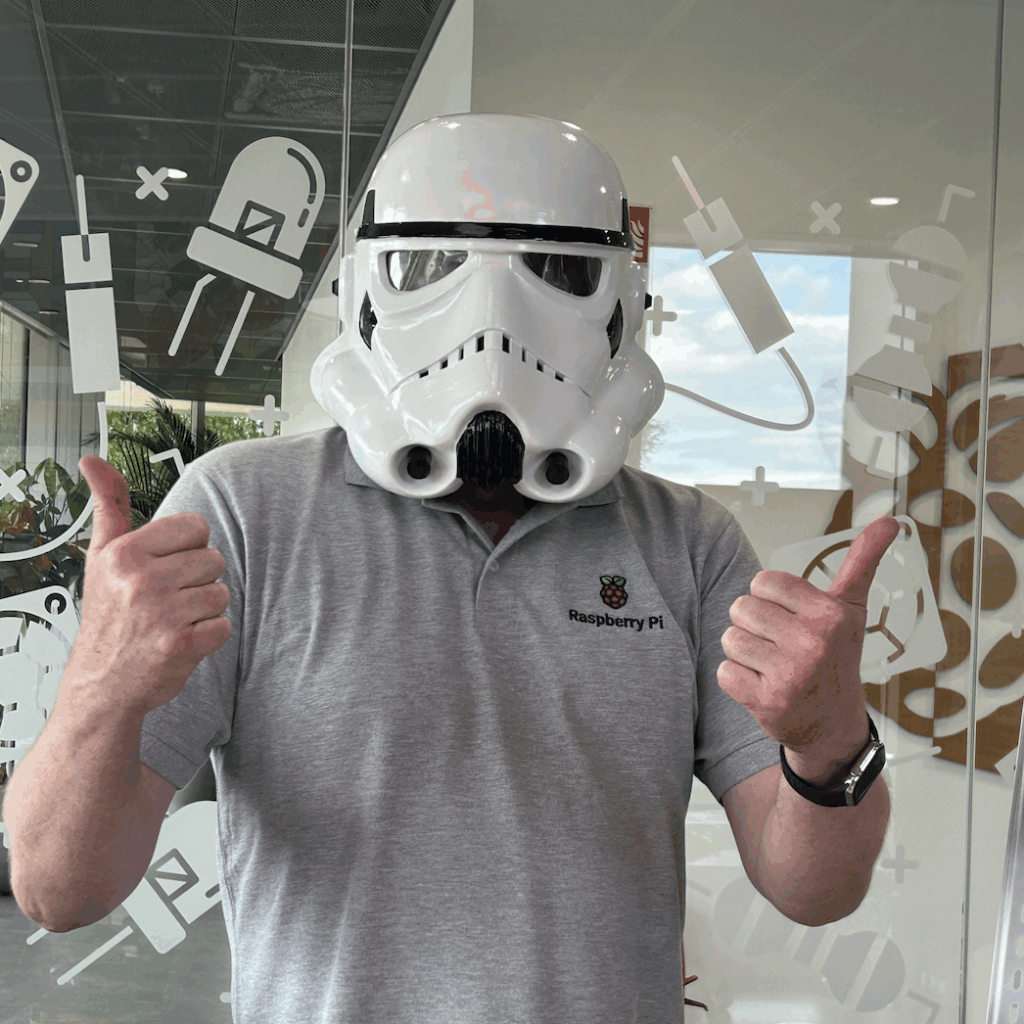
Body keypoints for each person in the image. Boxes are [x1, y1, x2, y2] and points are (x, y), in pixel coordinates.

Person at [5, 113, 891, 1023]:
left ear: (623, 304)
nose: (493, 323)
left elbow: (812, 890)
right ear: (364, 292)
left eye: (557, 271)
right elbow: (58, 890)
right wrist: (102, 686)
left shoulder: (687, 542)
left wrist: (830, 742)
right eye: (430, 268)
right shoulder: (245, 511)